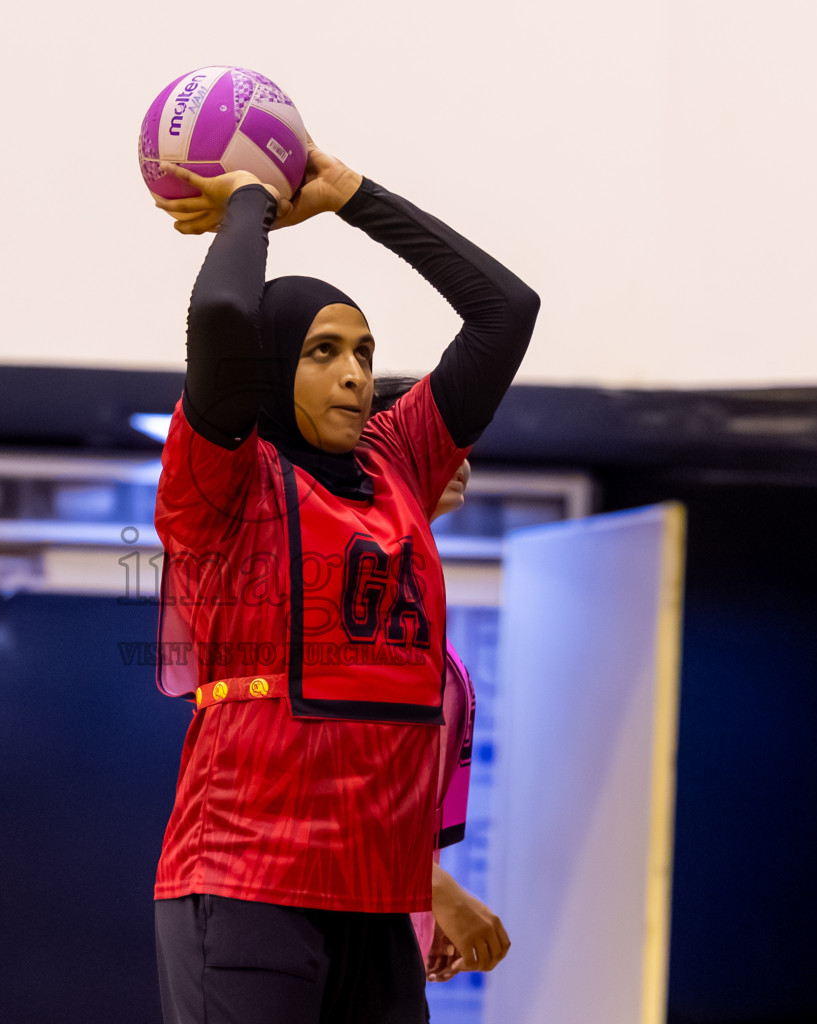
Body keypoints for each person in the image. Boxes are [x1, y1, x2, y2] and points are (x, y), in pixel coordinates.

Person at [149, 143, 539, 1024]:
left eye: (365, 351)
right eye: (324, 350)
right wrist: (249, 198)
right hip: (246, 874)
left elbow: (505, 310)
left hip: (373, 890)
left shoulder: (398, 459)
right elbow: (219, 311)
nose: (357, 373)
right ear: (270, 364)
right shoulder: (225, 478)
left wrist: (351, 195)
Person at [370, 376, 510, 986]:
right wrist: (438, 892)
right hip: (328, 899)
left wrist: (426, 903)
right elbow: (327, 775)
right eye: (437, 435)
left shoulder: (412, 573)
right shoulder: (358, 576)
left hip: (388, 895)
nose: (462, 458)